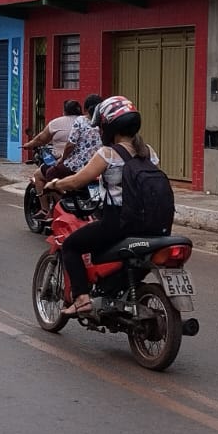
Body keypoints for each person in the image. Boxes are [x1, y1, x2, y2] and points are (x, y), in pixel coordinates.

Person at [45, 96, 165, 317]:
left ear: (110, 126)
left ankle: (81, 300)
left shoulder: (108, 154)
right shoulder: (149, 152)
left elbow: (78, 180)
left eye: (101, 126)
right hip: (152, 224)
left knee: (71, 245)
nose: (100, 130)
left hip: (119, 222)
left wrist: (55, 183)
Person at [23, 100, 81, 186]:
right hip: (86, 164)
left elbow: (41, 139)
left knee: (38, 175)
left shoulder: (56, 123)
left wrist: (28, 144)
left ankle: (58, 198)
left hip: (65, 163)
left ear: (64, 111)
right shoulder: (87, 122)